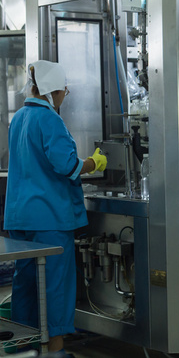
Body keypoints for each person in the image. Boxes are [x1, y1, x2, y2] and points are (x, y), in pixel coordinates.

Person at [4, 60, 107, 356]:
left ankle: (22, 347)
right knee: (55, 286)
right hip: (49, 217)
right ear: (52, 92)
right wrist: (93, 163)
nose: (66, 94)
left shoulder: (20, 117)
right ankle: (55, 350)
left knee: (25, 282)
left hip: (21, 216)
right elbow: (66, 165)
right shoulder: (49, 119)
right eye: (64, 89)